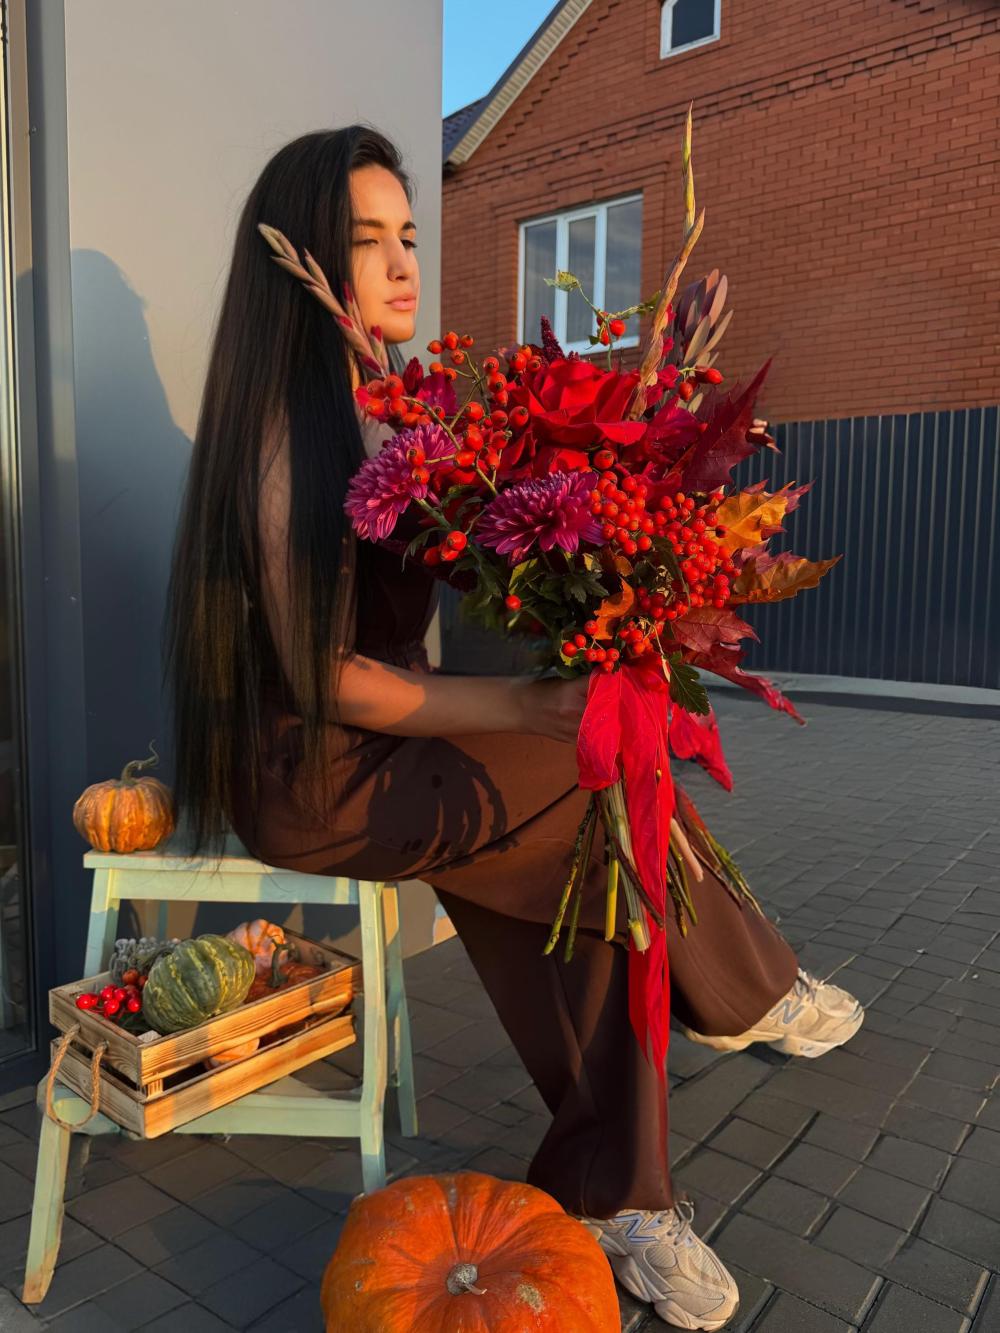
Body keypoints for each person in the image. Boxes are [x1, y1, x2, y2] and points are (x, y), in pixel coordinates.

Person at [165, 125, 864, 1332]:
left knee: (592, 832)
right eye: (366, 241)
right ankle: (733, 1002)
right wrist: (527, 702)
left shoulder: (390, 417)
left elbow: (490, 560)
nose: (402, 264)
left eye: (407, 235)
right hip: (313, 777)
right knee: (579, 761)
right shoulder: (283, 442)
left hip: (384, 755)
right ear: (304, 267)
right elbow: (328, 679)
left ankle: (625, 1175)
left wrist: (598, 537)